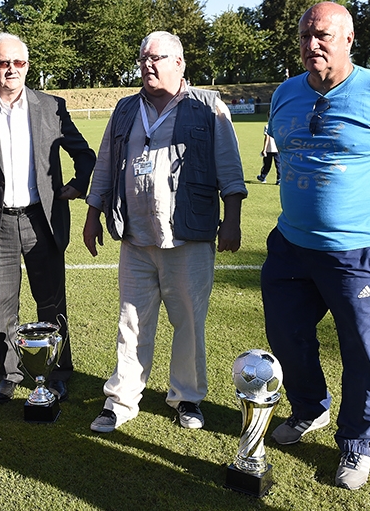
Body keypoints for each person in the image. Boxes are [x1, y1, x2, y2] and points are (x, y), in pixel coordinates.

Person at [262, 2, 370, 490]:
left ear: (348, 39)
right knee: (286, 336)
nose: (311, 44)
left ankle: (357, 441)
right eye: (303, 36)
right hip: (292, 244)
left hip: (359, 250)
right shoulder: (285, 94)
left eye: (321, 35)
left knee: (364, 351)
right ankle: (309, 409)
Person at [83, 31, 247, 433]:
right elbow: (105, 165)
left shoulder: (208, 105)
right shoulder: (125, 109)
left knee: (189, 321)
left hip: (188, 237)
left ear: (179, 63)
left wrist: (233, 219)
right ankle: (121, 400)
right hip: (135, 238)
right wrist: (91, 215)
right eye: (143, 59)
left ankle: (187, 397)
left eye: (156, 58)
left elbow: (229, 165)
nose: (147, 65)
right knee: (131, 321)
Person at [0, 33, 96, 404]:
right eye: (4, 63)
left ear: (27, 66)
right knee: (4, 303)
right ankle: (10, 372)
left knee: (51, 302)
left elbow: (85, 154)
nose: (12, 70)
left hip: (43, 220)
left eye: (19, 63)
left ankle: (59, 371)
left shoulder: (52, 106)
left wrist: (77, 186)